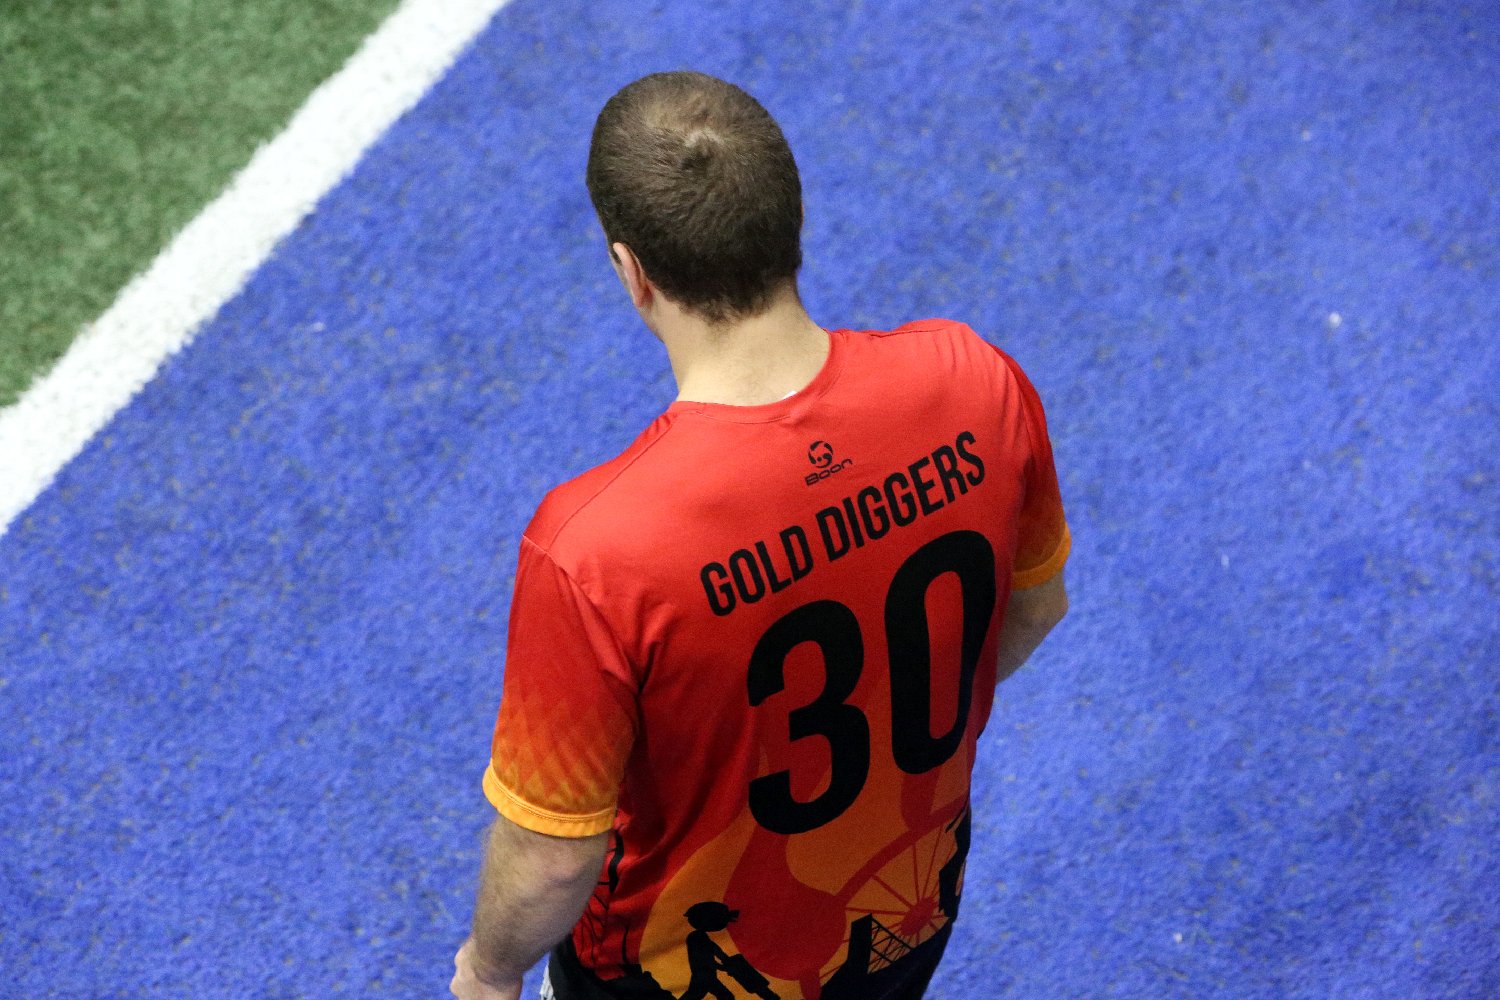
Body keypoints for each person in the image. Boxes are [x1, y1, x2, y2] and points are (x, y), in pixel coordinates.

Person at [451, 70, 1070, 1000]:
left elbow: (551, 859)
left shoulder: (595, 553)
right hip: (902, 924)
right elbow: (1033, 609)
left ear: (633, 273)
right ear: (791, 225)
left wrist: (487, 972)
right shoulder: (977, 382)